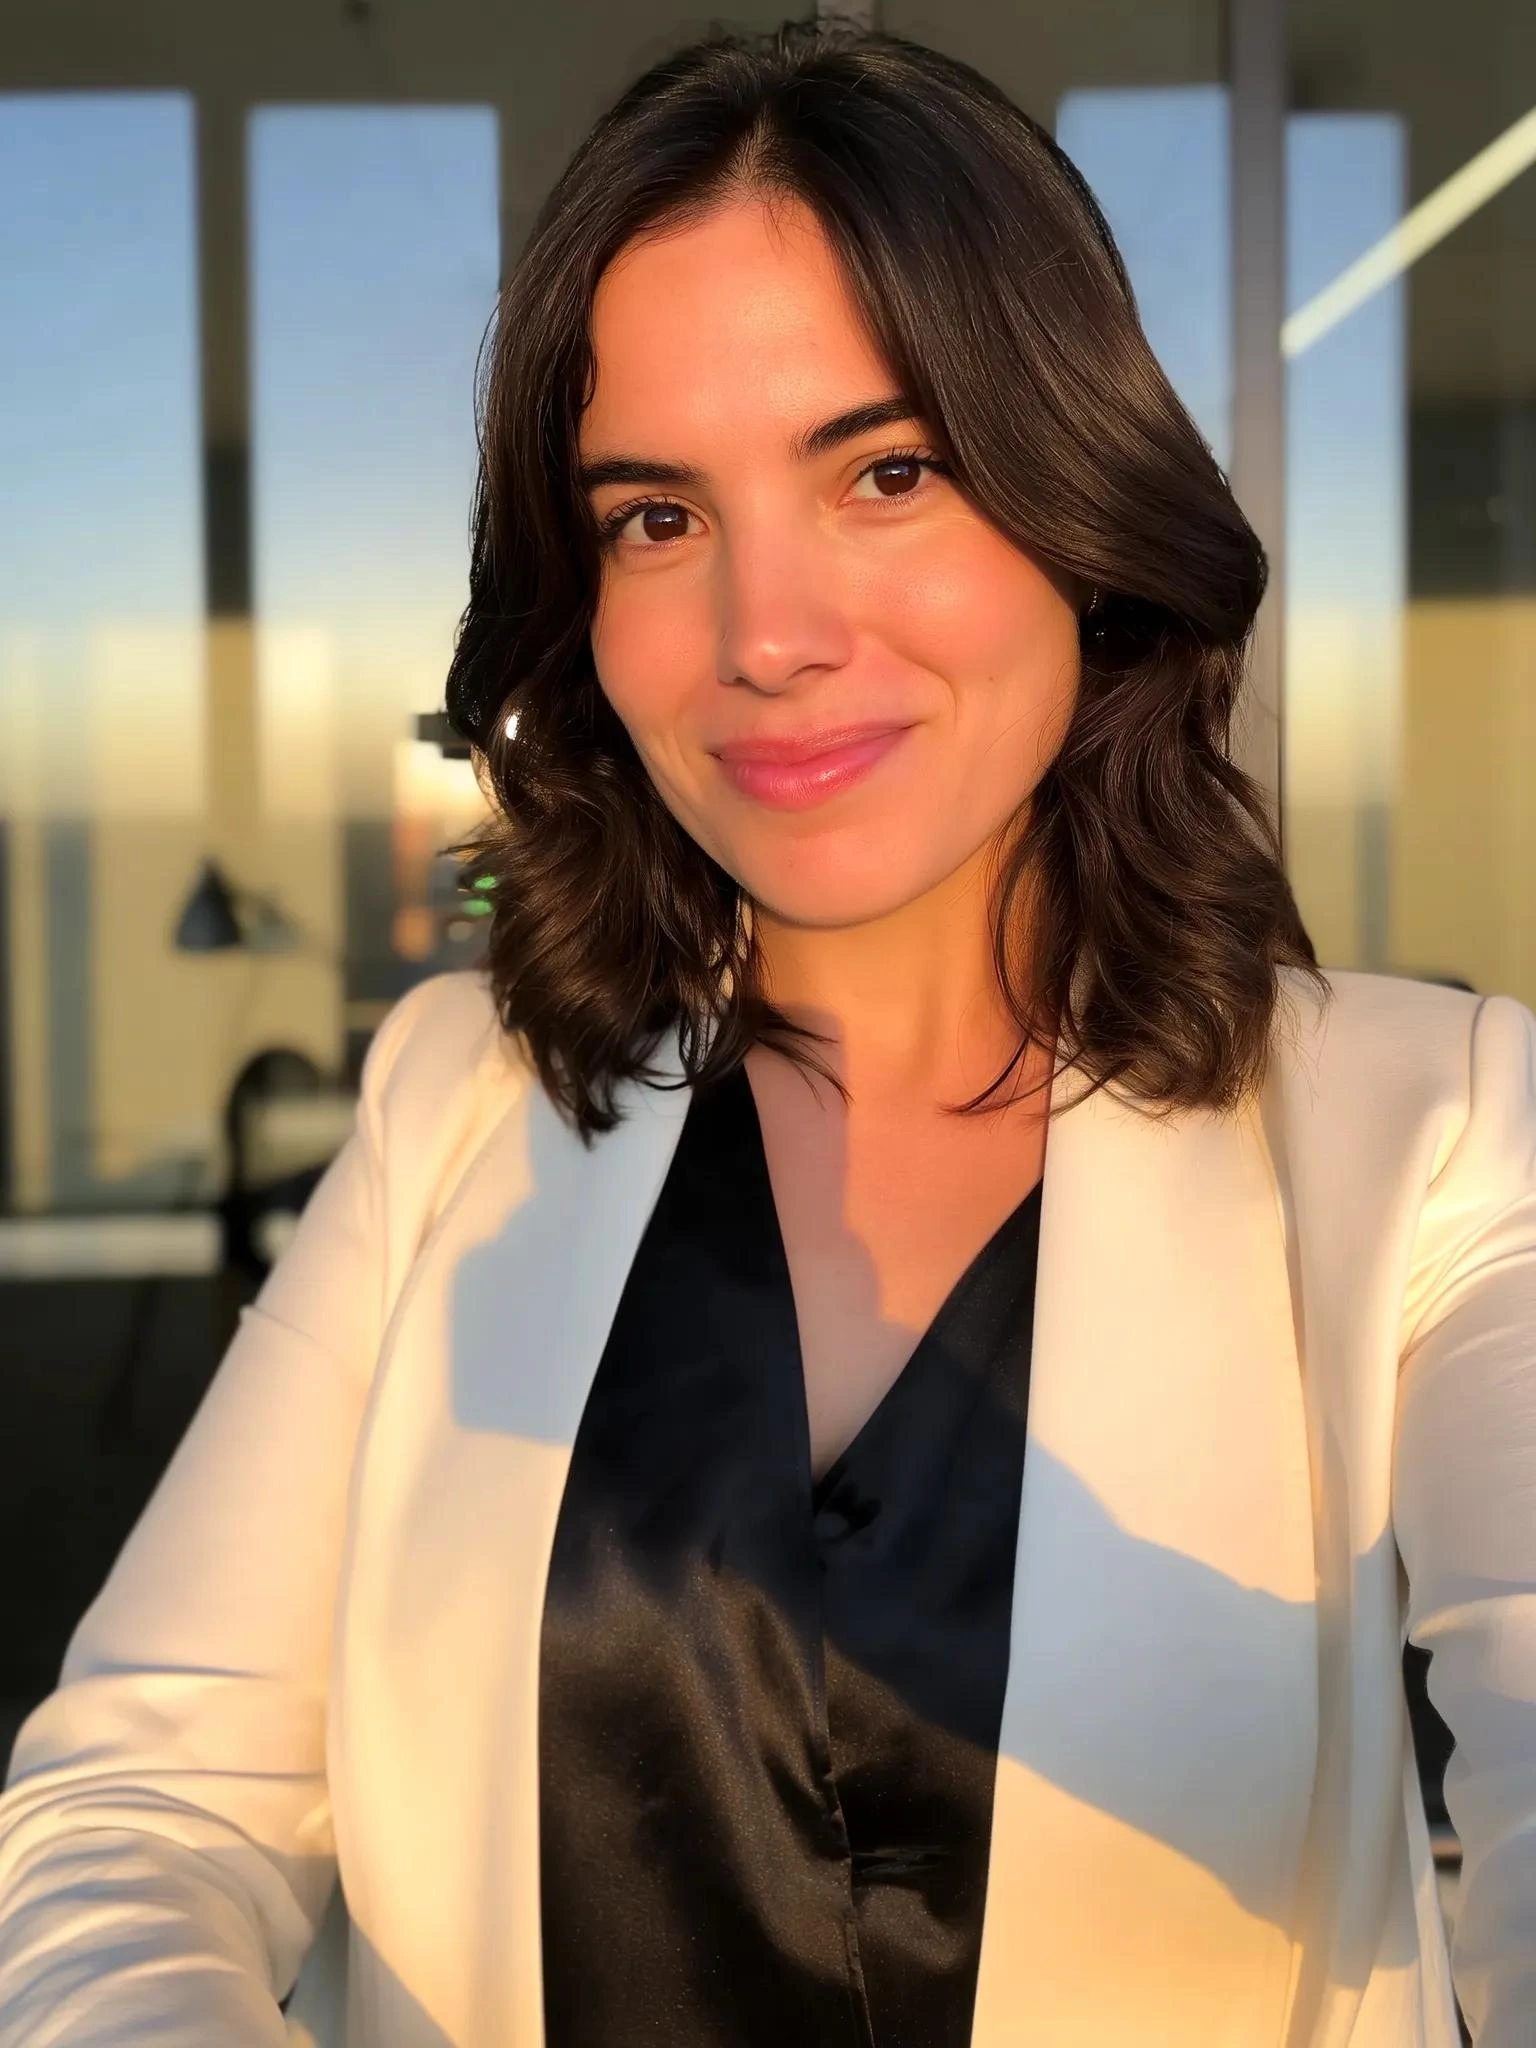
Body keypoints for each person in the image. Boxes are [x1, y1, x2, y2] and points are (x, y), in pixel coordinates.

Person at [1, 16, 1533, 2048]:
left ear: (1081, 511)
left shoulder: (1433, 1140)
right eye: (657, 517)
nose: (766, 635)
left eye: (888, 472)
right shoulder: (458, 1104)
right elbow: (128, 1814)